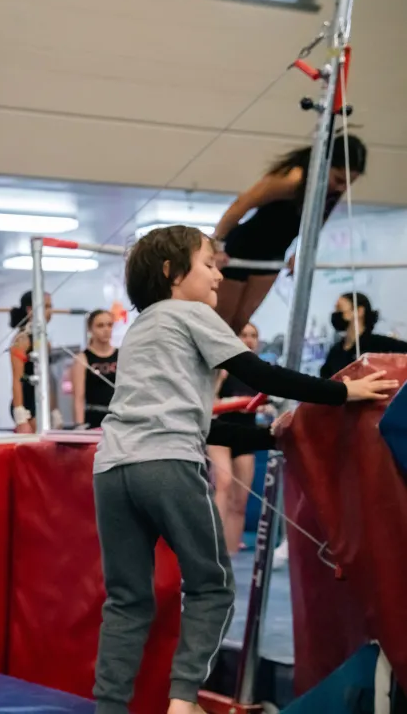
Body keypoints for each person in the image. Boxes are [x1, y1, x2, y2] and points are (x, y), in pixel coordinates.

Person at [92, 225, 396, 714]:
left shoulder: (140, 330)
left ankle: (108, 707)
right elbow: (260, 373)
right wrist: (342, 393)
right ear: (172, 274)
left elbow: (191, 424)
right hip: (168, 467)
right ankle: (182, 702)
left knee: (127, 599)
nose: (218, 275)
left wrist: (268, 437)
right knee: (211, 587)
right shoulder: (191, 313)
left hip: (112, 470)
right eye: (208, 264)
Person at [211, 135, 367, 333]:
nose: (342, 187)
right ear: (324, 164)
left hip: (274, 254)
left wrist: (300, 252)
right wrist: (216, 245)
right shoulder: (293, 179)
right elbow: (241, 204)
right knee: (220, 323)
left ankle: (223, 364)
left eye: (349, 183)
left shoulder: (334, 189)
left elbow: (317, 223)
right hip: (241, 248)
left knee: (238, 324)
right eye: (339, 179)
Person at [209, 322, 269, 554]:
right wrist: (234, 403)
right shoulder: (222, 368)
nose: (248, 340)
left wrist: (262, 409)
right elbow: (209, 402)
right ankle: (213, 550)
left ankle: (231, 554)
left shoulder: (259, 371)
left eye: (253, 335)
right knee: (223, 484)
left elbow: (265, 401)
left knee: (240, 501)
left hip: (246, 434)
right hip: (220, 431)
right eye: (243, 335)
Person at [320, 291, 407, 377]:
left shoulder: (382, 345)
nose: (335, 313)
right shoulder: (335, 351)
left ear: (359, 311)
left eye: (339, 308)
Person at [9, 290, 58, 432]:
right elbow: (17, 379)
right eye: (46, 306)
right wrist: (20, 415)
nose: (50, 311)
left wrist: (54, 409)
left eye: (51, 306)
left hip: (41, 400)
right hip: (26, 403)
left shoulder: (44, 341)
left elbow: (48, 378)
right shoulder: (21, 340)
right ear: (30, 310)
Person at [72, 309, 117, 429]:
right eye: (100, 326)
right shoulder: (83, 358)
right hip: (94, 418)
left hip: (117, 417)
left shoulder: (121, 354)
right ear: (90, 329)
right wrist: (79, 425)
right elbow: (78, 396)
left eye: (109, 325)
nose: (106, 330)